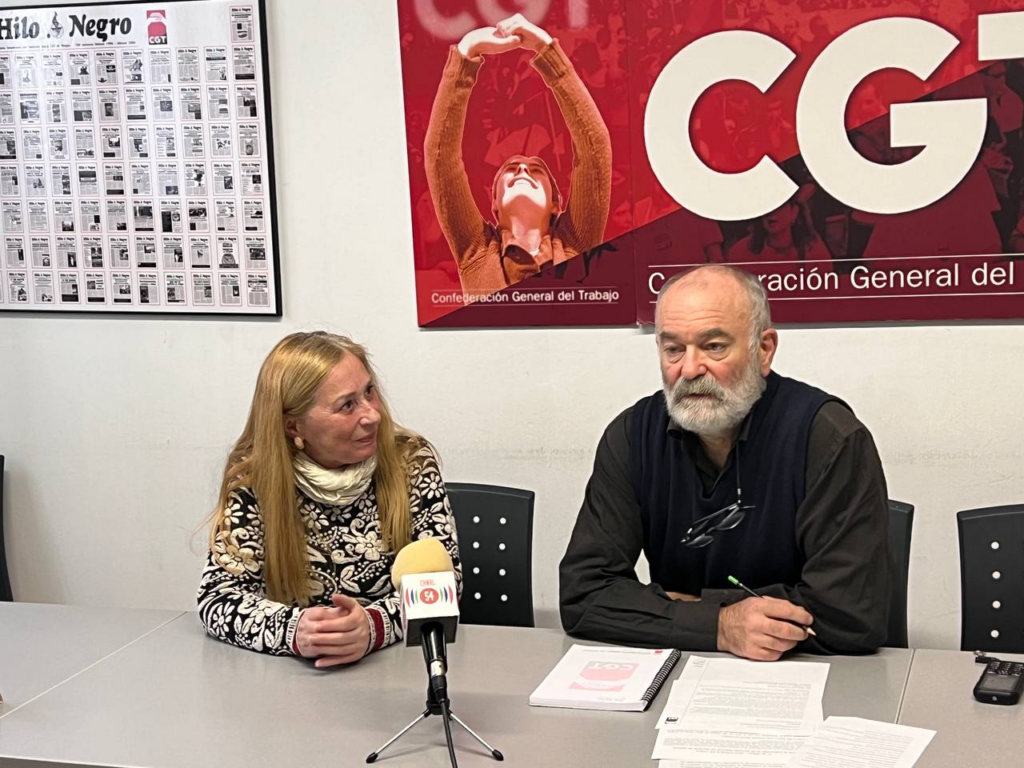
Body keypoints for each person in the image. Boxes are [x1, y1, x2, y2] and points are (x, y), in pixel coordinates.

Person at [559, 265, 891, 660]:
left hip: (810, 678)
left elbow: (849, 616)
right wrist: (720, 625)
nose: (690, 369)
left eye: (714, 346)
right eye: (673, 349)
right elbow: (584, 595)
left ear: (763, 349)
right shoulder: (632, 437)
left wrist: (683, 609)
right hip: (678, 673)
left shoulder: (828, 439)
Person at [198, 332, 461, 666]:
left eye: (369, 392)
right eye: (347, 405)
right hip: (292, 680)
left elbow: (444, 586)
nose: (372, 415)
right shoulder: (253, 480)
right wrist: (296, 631)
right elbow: (217, 598)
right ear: (294, 427)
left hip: (397, 667)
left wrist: (373, 626)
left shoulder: (410, 460)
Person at [424, 13, 611, 295]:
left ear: (555, 205)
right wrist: (466, 51)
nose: (522, 170)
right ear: (495, 205)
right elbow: (441, 158)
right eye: (510, 169)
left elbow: (594, 149)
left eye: (536, 170)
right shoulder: (475, 252)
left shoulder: (576, 246)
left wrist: (547, 49)